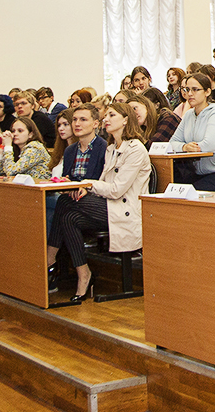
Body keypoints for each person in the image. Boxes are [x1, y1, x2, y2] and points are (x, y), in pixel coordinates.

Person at [46, 102, 150, 304]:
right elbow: (105, 185)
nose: (106, 119)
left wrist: (86, 185)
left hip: (126, 210)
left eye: (112, 115)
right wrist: (84, 187)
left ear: (125, 120)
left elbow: (116, 189)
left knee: (65, 202)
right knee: (68, 216)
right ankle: (83, 272)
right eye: (106, 115)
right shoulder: (112, 148)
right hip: (110, 204)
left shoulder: (136, 149)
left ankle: (49, 260)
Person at [169, 72, 215, 193]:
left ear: (207, 92)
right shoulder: (188, 115)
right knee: (173, 190)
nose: (189, 94)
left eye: (195, 90)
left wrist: (190, 147)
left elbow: (209, 145)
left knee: (191, 194)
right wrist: (185, 146)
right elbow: (172, 143)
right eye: (187, 89)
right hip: (200, 173)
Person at [56, 105, 108, 182]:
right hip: (71, 192)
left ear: (95, 124)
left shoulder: (104, 148)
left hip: (94, 192)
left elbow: (103, 182)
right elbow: (66, 176)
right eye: (74, 119)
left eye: (83, 119)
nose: (77, 124)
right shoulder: (70, 150)